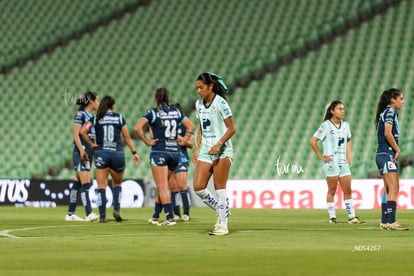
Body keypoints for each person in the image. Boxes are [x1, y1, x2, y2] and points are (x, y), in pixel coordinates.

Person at [135, 88, 195, 226]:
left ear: (155, 98)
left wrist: (147, 142)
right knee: (164, 185)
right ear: (168, 98)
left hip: (159, 152)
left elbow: (138, 128)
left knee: (162, 187)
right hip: (175, 153)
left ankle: (170, 218)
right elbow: (191, 126)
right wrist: (184, 140)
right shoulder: (177, 112)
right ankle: (156, 216)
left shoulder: (153, 113)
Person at [80, 95, 140, 223]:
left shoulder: (96, 118)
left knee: (101, 186)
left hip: (102, 153)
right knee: (117, 184)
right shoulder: (119, 117)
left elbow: (82, 131)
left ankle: (102, 215)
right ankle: (116, 210)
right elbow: (127, 137)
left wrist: (91, 144)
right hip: (117, 154)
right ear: (112, 106)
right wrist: (134, 152)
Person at [192, 72, 236, 236]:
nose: (199, 91)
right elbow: (201, 128)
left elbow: (232, 128)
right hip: (206, 149)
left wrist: (219, 144)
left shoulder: (220, 103)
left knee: (219, 188)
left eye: (201, 87)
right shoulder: (199, 104)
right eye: (197, 88)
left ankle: (223, 226)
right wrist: (197, 148)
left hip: (222, 149)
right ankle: (222, 210)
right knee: (198, 187)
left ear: (210, 86)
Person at [309, 100, 364, 224]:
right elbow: (312, 141)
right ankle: (332, 217)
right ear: (332, 111)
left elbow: (349, 140)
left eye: (343, 108)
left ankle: (352, 217)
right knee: (332, 190)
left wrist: (349, 156)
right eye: (339, 109)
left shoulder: (345, 125)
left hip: (343, 162)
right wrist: (321, 156)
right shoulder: (326, 125)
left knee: (348, 190)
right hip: (331, 162)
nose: (342, 111)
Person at [374, 88, 408, 230]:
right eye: (400, 98)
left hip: (382, 155)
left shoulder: (386, 112)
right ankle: (392, 221)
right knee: (394, 187)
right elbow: (388, 133)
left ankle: (385, 221)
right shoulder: (390, 112)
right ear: (392, 99)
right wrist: (397, 149)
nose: (403, 101)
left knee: (388, 189)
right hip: (386, 154)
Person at [65, 91, 100, 222]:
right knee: (86, 183)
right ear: (90, 101)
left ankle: (70, 214)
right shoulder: (80, 115)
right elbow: (76, 134)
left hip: (88, 152)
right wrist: (81, 150)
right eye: (97, 100)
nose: (98, 103)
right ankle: (89, 213)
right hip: (82, 152)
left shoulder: (92, 117)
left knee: (77, 182)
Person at [170, 103, 193, 221]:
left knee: (182, 186)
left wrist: (180, 139)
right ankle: (176, 213)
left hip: (181, 159)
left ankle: (186, 213)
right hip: (170, 158)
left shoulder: (184, 127)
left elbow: (190, 143)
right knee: (173, 188)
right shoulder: (168, 126)